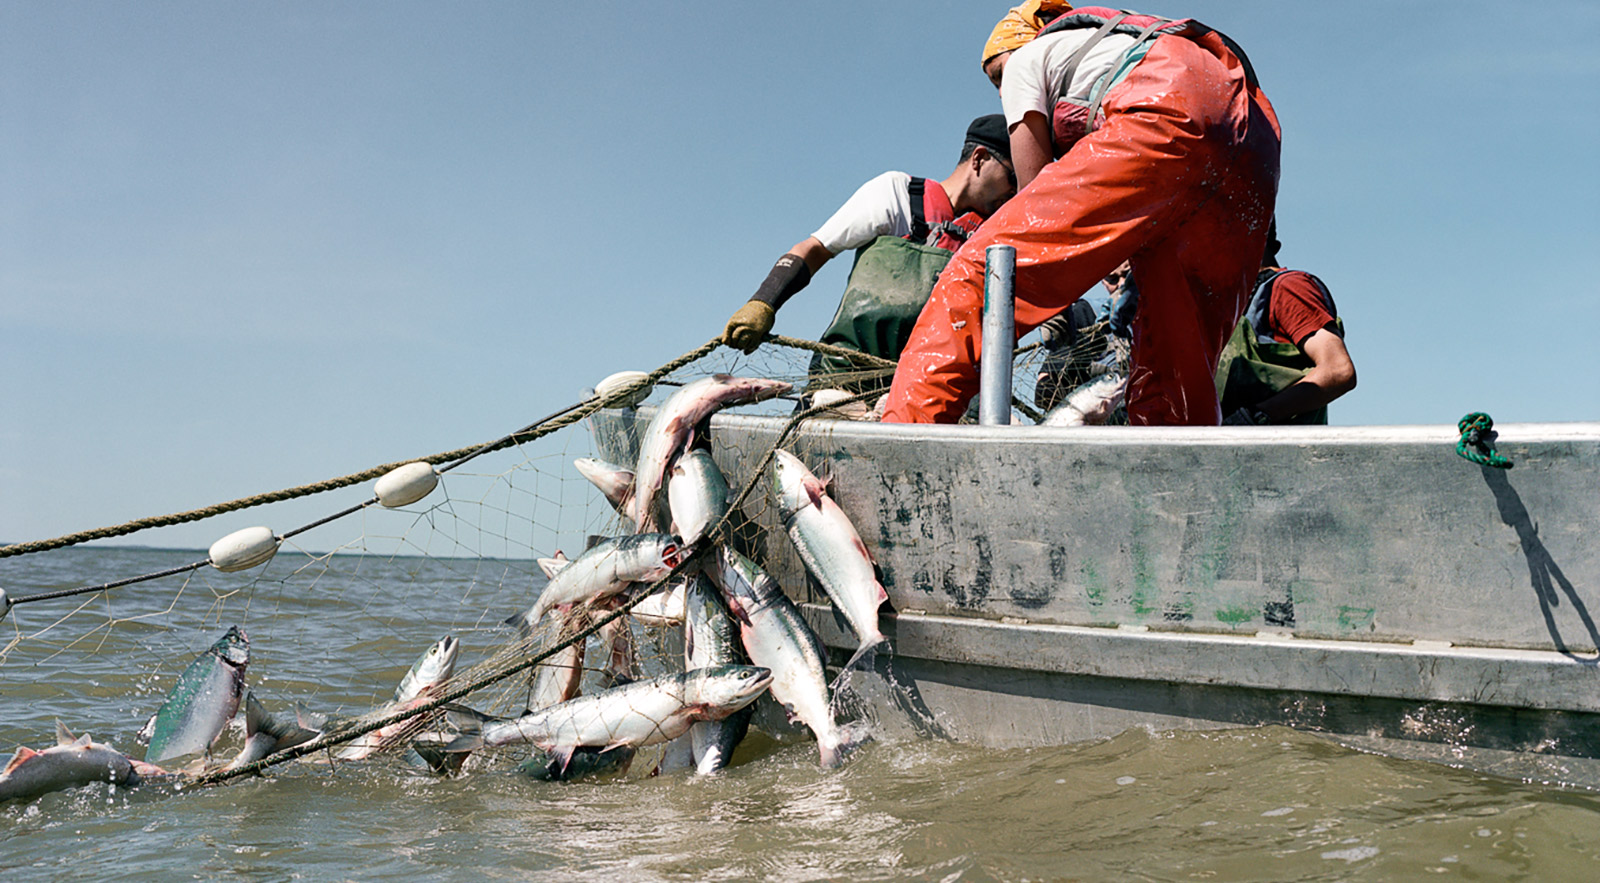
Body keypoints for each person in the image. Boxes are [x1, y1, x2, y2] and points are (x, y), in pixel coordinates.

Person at [881, 6, 1281, 426]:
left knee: (984, 275)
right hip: (1253, 141)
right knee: (1179, 346)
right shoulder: (1115, 45)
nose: (1001, 90)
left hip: (1165, 102)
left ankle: (904, 438)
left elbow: (1032, 195)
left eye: (996, 76)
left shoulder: (1027, 59)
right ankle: (1174, 474)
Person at [720, 115, 1018, 380]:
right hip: (846, 377)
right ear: (979, 159)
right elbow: (815, 248)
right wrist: (763, 302)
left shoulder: (992, 240)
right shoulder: (897, 194)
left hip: (928, 389)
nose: (1015, 192)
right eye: (1013, 177)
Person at [1216, 224, 1357, 425]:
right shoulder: (1234, 307)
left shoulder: (1289, 288)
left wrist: (1255, 418)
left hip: (1281, 453)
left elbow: (1338, 371)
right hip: (1238, 452)